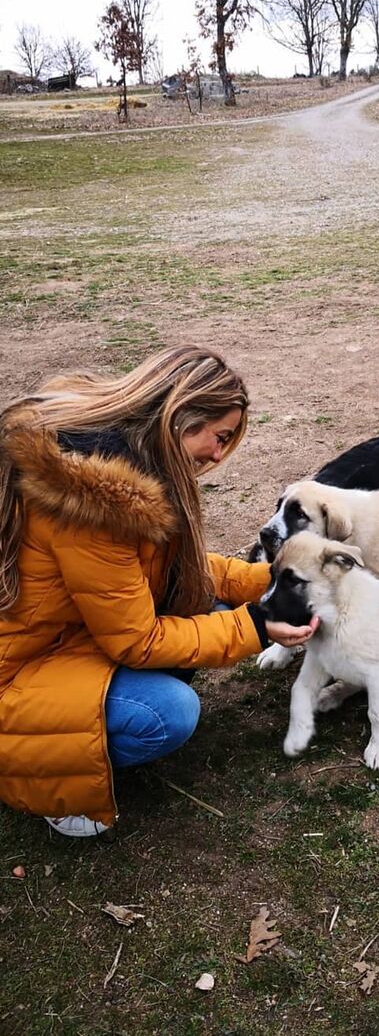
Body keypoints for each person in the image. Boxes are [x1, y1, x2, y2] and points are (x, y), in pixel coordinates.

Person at [0, 345, 317, 838]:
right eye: (219, 437)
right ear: (180, 416)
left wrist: (274, 579)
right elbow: (137, 642)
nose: (218, 454)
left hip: (66, 638)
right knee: (166, 713)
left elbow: (171, 573)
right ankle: (48, 776)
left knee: (203, 604)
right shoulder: (92, 502)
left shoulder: (124, 462)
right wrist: (258, 625)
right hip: (17, 673)